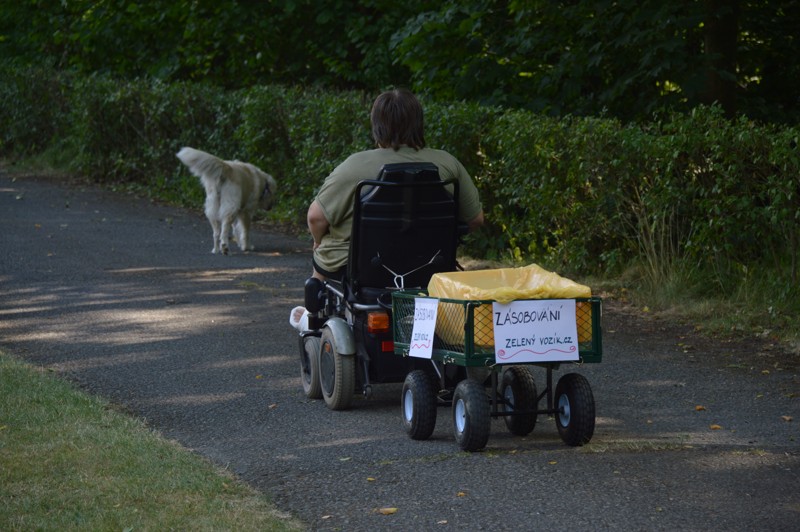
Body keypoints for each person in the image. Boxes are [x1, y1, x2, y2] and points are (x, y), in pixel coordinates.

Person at [306, 88, 484, 281]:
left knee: (325, 251)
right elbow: (475, 219)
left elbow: (316, 218)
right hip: (430, 264)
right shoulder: (448, 163)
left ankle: (311, 311)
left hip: (359, 267)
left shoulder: (354, 166)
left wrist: (317, 241)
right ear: (419, 123)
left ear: (376, 125)